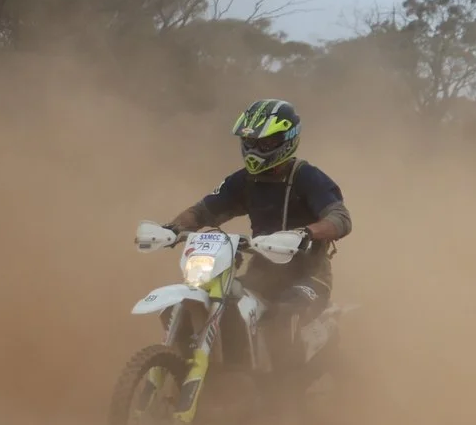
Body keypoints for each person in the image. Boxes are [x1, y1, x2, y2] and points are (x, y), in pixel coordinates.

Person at [150, 99, 351, 355]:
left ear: (285, 140)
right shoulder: (243, 181)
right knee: (223, 303)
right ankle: (209, 372)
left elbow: (340, 218)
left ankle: (284, 390)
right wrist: (173, 228)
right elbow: (202, 211)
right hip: (261, 276)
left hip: (309, 276)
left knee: (281, 316)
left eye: (264, 143)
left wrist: (305, 234)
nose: (255, 149)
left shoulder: (307, 177)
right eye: (250, 142)